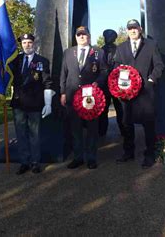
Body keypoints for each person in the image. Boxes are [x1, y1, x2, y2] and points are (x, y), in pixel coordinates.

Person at [114, 19, 164, 168]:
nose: (132, 31)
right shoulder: (121, 48)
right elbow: (116, 67)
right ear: (127, 31)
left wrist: (151, 79)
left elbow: (159, 65)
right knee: (127, 123)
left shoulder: (151, 45)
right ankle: (128, 152)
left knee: (148, 124)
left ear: (140, 29)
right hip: (127, 93)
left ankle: (150, 154)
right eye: (130, 28)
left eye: (135, 28)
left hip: (146, 93)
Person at [60, 26, 108, 169]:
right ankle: (78, 157)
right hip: (72, 94)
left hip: (91, 97)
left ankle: (91, 158)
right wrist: (62, 92)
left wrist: (97, 82)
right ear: (76, 37)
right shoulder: (68, 53)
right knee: (75, 128)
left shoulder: (99, 52)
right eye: (79, 34)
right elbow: (63, 73)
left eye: (84, 34)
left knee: (92, 129)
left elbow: (104, 71)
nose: (81, 37)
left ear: (89, 36)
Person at [10, 33, 53, 175]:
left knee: (35, 134)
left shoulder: (42, 61)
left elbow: (47, 82)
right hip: (18, 103)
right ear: (21, 45)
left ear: (34, 44)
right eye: (24, 43)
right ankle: (24, 162)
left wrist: (48, 103)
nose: (27, 45)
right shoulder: (15, 60)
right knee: (21, 134)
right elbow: (6, 74)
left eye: (29, 42)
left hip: (34, 103)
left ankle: (35, 162)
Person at [99, 29, 124, 136]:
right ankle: (102, 131)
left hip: (116, 85)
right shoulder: (100, 51)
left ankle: (124, 130)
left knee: (120, 109)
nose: (107, 38)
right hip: (104, 85)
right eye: (106, 36)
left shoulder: (120, 50)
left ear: (114, 38)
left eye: (110, 36)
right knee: (103, 109)